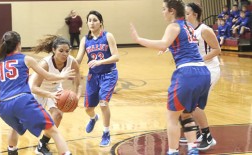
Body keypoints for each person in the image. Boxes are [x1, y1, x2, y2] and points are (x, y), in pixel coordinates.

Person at [130, 0, 211, 154]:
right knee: (186, 113)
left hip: (187, 73)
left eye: (163, 9)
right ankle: (193, 148)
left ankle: (173, 151)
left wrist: (139, 40)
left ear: (172, 11)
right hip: (203, 73)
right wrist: (169, 48)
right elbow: (183, 44)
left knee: (172, 117)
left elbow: (163, 43)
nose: (162, 12)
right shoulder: (189, 26)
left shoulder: (173, 26)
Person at [0, 31, 74, 155]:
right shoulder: (26, 59)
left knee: (15, 129)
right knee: (53, 131)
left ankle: (11, 152)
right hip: (21, 101)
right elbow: (48, 76)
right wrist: (62, 76)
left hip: (3, 106)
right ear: (19, 44)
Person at [181, 2, 221, 151]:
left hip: (210, 70)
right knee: (188, 103)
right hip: (197, 70)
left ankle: (208, 137)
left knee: (195, 104)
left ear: (195, 15)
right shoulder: (188, 30)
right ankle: (197, 134)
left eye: (186, 13)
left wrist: (199, 60)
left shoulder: (205, 30)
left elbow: (217, 50)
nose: (184, 16)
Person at [75, 10, 119, 147]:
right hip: (93, 76)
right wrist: (65, 62)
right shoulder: (85, 40)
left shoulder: (108, 36)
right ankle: (94, 118)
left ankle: (106, 133)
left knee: (103, 103)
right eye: (89, 20)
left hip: (109, 74)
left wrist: (100, 62)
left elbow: (116, 57)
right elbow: (78, 59)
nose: (92, 23)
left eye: (95, 20)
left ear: (100, 22)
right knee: (88, 108)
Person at [29, 34, 82, 128]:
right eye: (61, 51)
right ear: (54, 50)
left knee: (58, 115)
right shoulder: (45, 64)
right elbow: (33, 88)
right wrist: (49, 95)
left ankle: (44, 141)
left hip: (55, 88)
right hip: (38, 90)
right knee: (32, 122)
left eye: (67, 51)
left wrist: (76, 98)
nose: (64, 54)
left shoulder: (72, 62)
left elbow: (78, 85)